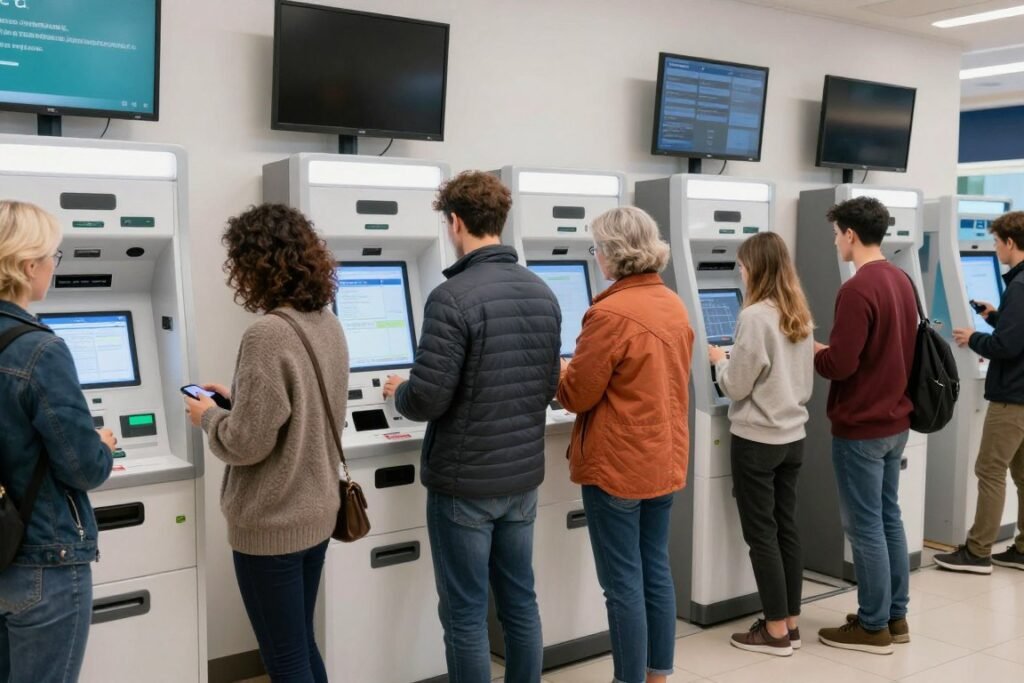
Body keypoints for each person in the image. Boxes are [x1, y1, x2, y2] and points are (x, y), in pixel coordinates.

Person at [381, 171, 561, 683]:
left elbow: (429, 398)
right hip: (521, 478)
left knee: (464, 612)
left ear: (455, 221)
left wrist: (396, 392)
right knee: (520, 602)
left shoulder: (451, 297)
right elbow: (548, 384)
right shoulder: (542, 292)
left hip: (464, 486)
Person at [183, 203, 347, 683]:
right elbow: (304, 408)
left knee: (284, 657)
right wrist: (240, 400)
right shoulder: (326, 321)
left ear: (254, 265)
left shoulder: (267, 334)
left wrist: (209, 415)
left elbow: (247, 444)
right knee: (301, 643)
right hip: (317, 510)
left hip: (272, 521)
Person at [556, 206, 693, 683]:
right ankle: (659, 673)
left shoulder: (609, 312)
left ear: (613, 254)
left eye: (597, 248)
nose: (595, 258)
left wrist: (558, 369)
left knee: (621, 584)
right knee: (654, 568)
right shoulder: (673, 303)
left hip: (618, 465)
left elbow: (577, 394)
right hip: (664, 457)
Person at [0, 200, 116, 682]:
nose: (54, 266)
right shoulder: (41, 348)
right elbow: (83, 468)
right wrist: (102, 442)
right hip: (44, 560)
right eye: (54, 256)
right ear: (29, 266)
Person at [813, 196, 918, 655]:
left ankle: (872, 625)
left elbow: (841, 364)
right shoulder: (901, 279)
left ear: (851, 234)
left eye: (837, 234)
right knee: (888, 518)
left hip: (862, 426)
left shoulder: (857, 289)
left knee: (865, 527)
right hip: (896, 419)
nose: (836, 241)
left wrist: (813, 350)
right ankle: (895, 617)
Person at [708, 232, 814, 657]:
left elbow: (736, 387)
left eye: (742, 264)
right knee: (786, 529)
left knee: (762, 536)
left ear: (757, 268)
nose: (739, 270)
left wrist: (720, 362)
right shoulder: (798, 311)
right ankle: (790, 622)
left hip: (757, 441)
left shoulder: (753, 316)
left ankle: (772, 633)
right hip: (793, 437)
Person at [937, 210, 1024, 573]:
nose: (994, 248)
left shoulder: (1019, 285)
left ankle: (977, 552)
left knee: (989, 470)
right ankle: (1022, 549)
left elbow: (1007, 347)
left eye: (995, 242)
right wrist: (994, 318)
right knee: (1022, 475)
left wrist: (973, 337)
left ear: (1009, 243)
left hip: (1012, 399)